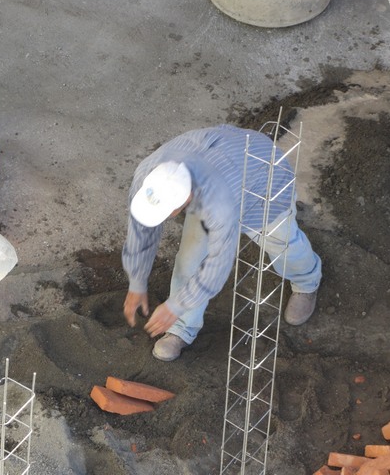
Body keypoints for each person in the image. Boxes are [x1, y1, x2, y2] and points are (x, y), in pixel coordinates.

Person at [122, 124, 322, 362]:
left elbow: (219, 263)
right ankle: (182, 327)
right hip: (222, 163)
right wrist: (137, 280)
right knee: (189, 258)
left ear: (184, 200)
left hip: (264, 177)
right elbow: (141, 228)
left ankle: (307, 282)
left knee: (282, 243)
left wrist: (175, 305)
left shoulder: (219, 201)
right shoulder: (148, 173)